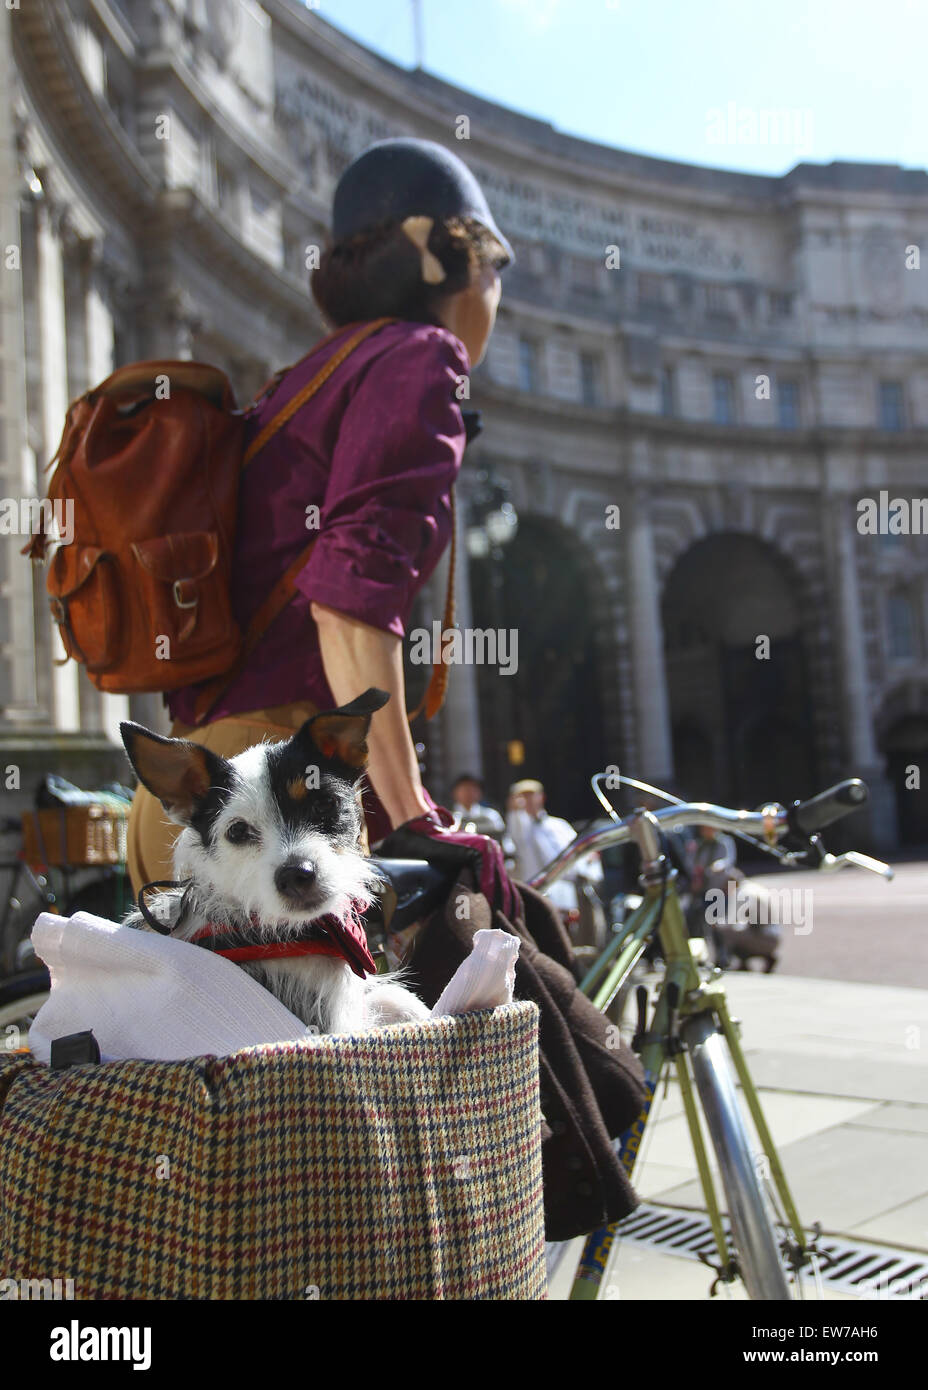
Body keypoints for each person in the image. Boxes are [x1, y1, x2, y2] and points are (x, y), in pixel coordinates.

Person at [127, 138, 518, 915]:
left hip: (192, 805)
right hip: (283, 808)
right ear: (439, 257)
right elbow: (348, 595)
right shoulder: (420, 355)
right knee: (477, 1008)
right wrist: (411, 812)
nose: (499, 289)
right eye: (495, 262)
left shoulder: (302, 381)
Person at [505, 779, 602, 917]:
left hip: (567, 896)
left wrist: (588, 859)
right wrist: (514, 811)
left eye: (531, 795)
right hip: (536, 896)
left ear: (541, 797)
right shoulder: (518, 830)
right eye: (523, 796)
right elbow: (515, 837)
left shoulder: (559, 825)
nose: (527, 800)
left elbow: (579, 853)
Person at [449, 774, 506, 841]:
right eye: (464, 788)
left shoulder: (490, 815)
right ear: (454, 792)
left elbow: (500, 837)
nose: (468, 792)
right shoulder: (448, 816)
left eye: (472, 789)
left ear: (480, 793)